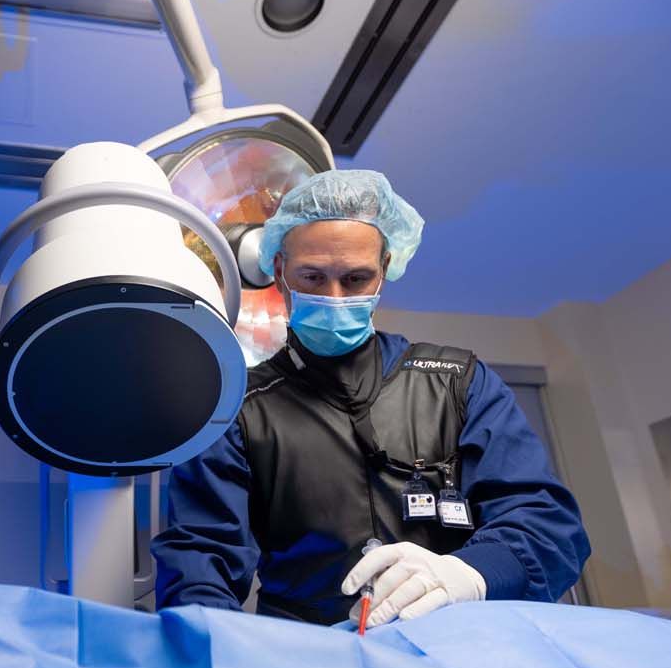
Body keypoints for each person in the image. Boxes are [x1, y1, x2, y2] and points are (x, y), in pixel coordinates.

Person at [151, 169, 590, 627]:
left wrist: (470, 573)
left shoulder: (457, 383)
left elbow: (548, 527)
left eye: (356, 278)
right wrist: (209, 644)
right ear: (279, 272)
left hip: (459, 644)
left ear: (384, 272)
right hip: (312, 652)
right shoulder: (238, 408)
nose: (334, 296)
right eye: (312, 276)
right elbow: (201, 557)